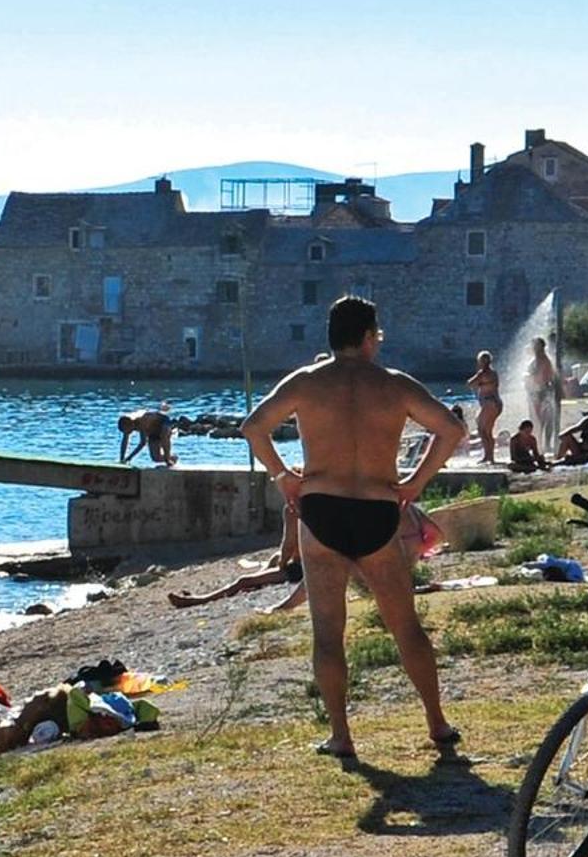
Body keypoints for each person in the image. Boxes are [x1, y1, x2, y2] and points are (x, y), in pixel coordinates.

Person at [240, 296, 467, 760]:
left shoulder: (305, 382)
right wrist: (414, 485)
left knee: (328, 632)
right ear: (368, 338)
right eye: (377, 336)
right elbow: (450, 430)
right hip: (377, 510)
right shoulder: (395, 385)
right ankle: (437, 724)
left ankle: (341, 736)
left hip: (321, 508)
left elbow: (253, 428)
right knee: (406, 627)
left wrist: (284, 477)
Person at [168, 505, 303, 610]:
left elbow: (289, 545)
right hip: (313, 564)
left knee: (243, 581)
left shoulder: (293, 508)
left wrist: (282, 564)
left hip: (300, 570)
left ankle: (199, 599)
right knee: (275, 557)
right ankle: (258, 581)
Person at [467, 351, 502, 465]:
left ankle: (488, 456)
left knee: (482, 430)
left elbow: (470, 383)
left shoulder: (482, 373)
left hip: (488, 403)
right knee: (488, 431)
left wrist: (480, 385)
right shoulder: (494, 373)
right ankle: (489, 457)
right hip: (496, 403)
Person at [526, 338, 561, 452]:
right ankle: (540, 444)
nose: (533, 348)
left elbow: (544, 377)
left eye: (535, 346)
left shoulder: (544, 360)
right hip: (537, 392)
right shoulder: (537, 360)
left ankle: (544, 444)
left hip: (543, 392)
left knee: (545, 420)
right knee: (539, 420)